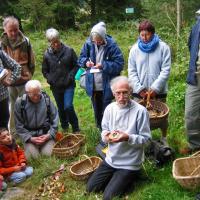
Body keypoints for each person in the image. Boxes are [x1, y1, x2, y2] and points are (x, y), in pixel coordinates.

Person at [87, 76, 151, 200]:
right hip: (111, 159)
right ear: (113, 93)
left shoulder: (140, 111)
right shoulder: (110, 109)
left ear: (131, 92)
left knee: (108, 197)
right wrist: (106, 136)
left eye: (125, 93)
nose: (121, 97)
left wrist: (128, 137)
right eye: (118, 93)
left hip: (130, 163)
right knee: (90, 188)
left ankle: (130, 177)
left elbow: (147, 140)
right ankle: (118, 179)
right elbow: (104, 129)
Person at [128, 20, 171, 145]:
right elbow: (131, 71)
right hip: (139, 92)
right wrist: (139, 88)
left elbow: (166, 70)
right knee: (139, 116)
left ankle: (164, 139)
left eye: (147, 34)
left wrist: (155, 89)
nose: (144, 38)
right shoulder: (134, 49)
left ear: (152, 33)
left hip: (159, 90)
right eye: (142, 35)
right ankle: (143, 140)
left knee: (162, 117)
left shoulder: (163, 48)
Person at [78, 22, 124, 130]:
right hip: (93, 84)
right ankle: (100, 129)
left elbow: (119, 64)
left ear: (104, 38)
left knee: (107, 109)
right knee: (96, 109)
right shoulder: (89, 44)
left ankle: (109, 129)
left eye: (99, 41)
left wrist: (103, 65)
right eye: (95, 41)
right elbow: (80, 58)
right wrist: (86, 63)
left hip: (107, 84)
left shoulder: (112, 46)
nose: (97, 43)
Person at [1, 16, 35, 135]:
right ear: (5, 30)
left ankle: (28, 130)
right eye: (11, 30)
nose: (14, 32)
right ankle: (14, 133)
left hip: (23, 80)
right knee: (11, 108)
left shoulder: (26, 41)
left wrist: (29, 75)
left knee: (26, 106)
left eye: (16, 29)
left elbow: (32, 61)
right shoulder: (2, 43)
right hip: (8, 82)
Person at [42, 28, 80, 133]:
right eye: (53, 43)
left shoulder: (69, 50)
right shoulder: (47, 54)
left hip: (68, 84)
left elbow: (77, 66)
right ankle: (64, 126)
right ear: (49, 43)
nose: (56, 44)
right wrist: (50, 79)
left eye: (57, 41)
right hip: (56, 86)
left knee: (68, 106)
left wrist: (71, 76)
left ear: (59, 39)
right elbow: (45, 71)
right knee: (61, 107)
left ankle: (76, 127)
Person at [14, 80, 59, 159]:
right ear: (27, 92)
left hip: (45, 135)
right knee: (33, 158)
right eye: (33, 95)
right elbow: (18, 125)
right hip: (30, 136)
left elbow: (55, 119)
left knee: (48, 155)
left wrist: (49, 135)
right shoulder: (20, 103)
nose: (36, 97)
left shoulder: (46, 100)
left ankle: (45, 146)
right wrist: (29, 138)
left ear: (40, 90)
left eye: (38, 94)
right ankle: (32, 147)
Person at [185, 10, 200, 151]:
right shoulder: (196, 27)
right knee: (190, 114)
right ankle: (195, 146)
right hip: (195, 76)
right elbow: (191, 47)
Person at [0, 49, 21, 129]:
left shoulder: (0, 53)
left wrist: (10, 80)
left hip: (2, 99)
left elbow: (17, 67)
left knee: (3, 127)